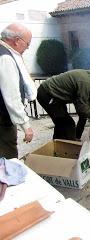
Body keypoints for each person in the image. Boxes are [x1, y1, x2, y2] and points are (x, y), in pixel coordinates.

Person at [0, 23, 36, 159]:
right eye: (27, 44)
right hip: (2, 121)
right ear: (16, 41)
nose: (27, 48)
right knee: (8, 161)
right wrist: (25, 125)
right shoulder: (6, 58)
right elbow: (12, 97)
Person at [37, 68, 90, 141]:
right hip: (47, 93)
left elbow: (84, 113)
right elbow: (82, 109)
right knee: (67, 124)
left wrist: (78, 136)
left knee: (61, 123)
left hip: (56, 97)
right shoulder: (85, 83)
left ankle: (60, 145)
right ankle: (66, 147)